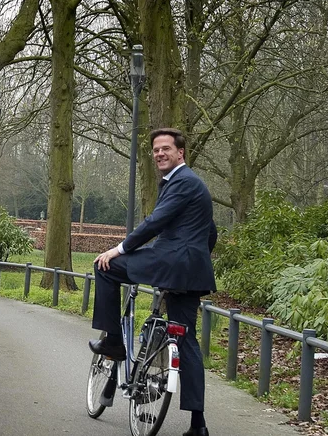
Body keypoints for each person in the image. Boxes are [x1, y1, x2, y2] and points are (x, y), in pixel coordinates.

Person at [89, 128, 216, 436]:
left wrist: (118, 249)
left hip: (169, 261)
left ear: (180, 153)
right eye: (156, 149)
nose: (160, 153)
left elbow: (155, 223)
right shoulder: (194, 185)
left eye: (166, 149)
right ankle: (198, 426)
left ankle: (115, 343)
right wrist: (194, 261)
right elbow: (210, 231)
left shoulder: (182, 182)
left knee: (106, 267)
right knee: (186, 342)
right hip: (192, 272)